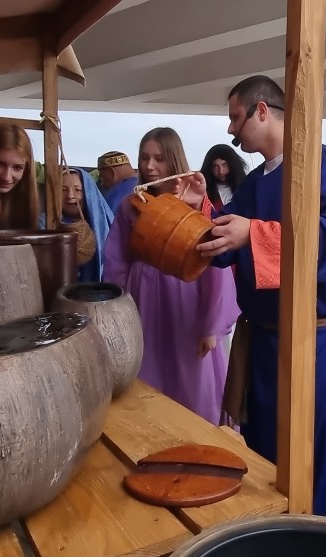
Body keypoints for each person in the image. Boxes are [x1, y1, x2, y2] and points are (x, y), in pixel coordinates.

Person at [187, 75, 326, 519]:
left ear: (262, 110)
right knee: (265, 456)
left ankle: (322, 541)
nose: (230, 130)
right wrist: (199, 208)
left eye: (235, 117)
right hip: (264, 346)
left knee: (318, 456)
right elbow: (221, 246)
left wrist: (253, 234)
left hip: (319, 344)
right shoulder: (254, 183)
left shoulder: (324, 164)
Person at [102, 127, 239, 425]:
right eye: (144, 158)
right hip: (141, 302)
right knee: (146, 379)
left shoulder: (197, 205)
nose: (150, 166)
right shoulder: (130, 206)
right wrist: (116, 314)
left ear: (174, 160)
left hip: (186, 301)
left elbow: (213, 267)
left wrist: (210, 325)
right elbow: (116, 263)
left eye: (159, 158)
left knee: (192, 382)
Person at [61, 167, 114, 282]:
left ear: (88, 192)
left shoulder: (103, 224)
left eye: (77, 189)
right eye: (63, 190)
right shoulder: (44, 224)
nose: (70, 195)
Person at [200, 144, 248, 209]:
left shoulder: (247, 186)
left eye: (224, 165)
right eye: (216, 166)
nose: (221, 171)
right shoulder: (203, 193)